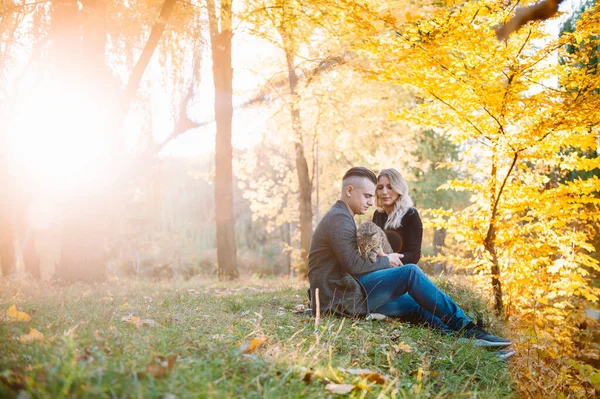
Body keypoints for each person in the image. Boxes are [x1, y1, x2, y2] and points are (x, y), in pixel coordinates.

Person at [307, 166, 512, 348]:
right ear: (349, 191)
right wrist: (387, 260)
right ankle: (466, 326)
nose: (372, 201)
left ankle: (471, 343)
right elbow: (353, 265)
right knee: (410, 273)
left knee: (413, 305)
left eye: (372, 196)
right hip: (339, 299)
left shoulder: (343, 216)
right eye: (368, 196)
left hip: (345, 295)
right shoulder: (340, 219)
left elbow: (355, 261)